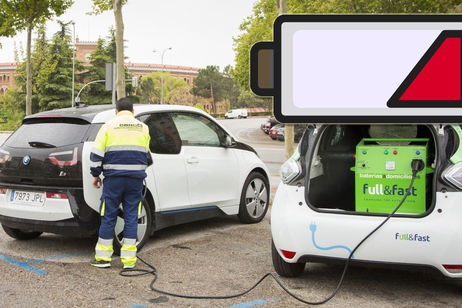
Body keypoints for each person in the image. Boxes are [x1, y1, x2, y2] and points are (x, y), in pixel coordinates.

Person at [89, 97, 152, 269]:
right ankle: (129, 261)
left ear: (116, 111)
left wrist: (96, 175)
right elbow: (146, 154)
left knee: (109, 216)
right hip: (135, 181)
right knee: (132, 216)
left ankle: (103, 259)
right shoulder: (143, 128)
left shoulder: (108, 126)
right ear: (133, 112)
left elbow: (96, 155)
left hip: (113, 180)